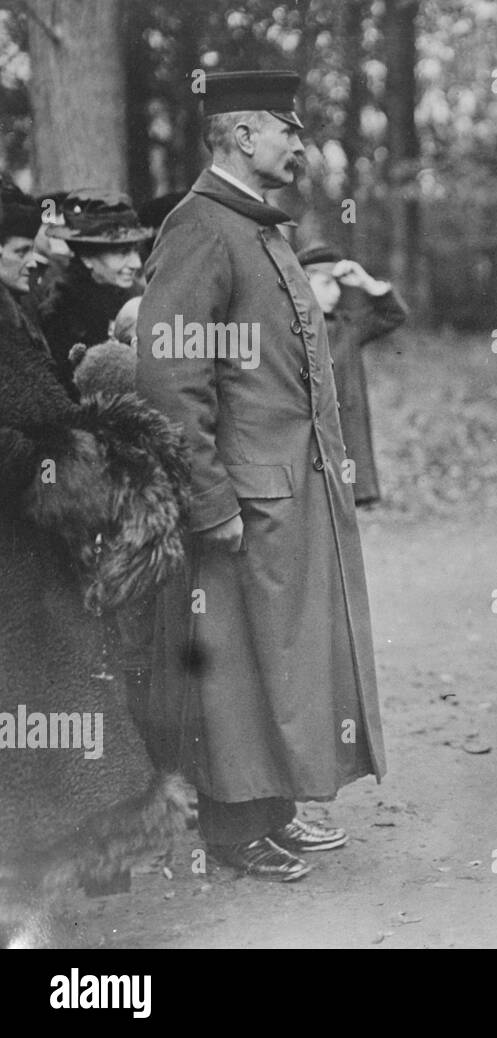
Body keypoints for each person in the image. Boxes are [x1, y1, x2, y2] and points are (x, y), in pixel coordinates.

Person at [135, 70, 386, 882]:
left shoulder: (259, 228)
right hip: (243, 497)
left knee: (287, 657)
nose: (302, 145)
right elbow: (173, 381)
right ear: (245, 135)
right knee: (238, 664)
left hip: (290, 490)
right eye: (291, 130)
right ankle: (233, 828)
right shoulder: (200, 229)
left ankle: (272, 809)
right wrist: (210, 503)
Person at [1, 188, 189, 945]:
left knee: (41, 740)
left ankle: (31, 902)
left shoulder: (14, 312)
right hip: (15, 566)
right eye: (15, 246)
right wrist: (53, 463)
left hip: (25, 565)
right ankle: (22, 908)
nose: (30, 256)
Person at [296, 242, 408, 506]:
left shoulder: (347, 327)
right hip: (305, 450)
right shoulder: (288, 329)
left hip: (344, 448)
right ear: (303, 283)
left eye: (338, 284)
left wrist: (367, 282)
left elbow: (394, 315)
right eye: (326, 284)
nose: (336, 292)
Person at [40, 190, 149, 395]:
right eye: (122, 253)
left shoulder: (135, 294)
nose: (135, 263)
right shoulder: (61, 308)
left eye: (135, 250)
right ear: (87, 256)